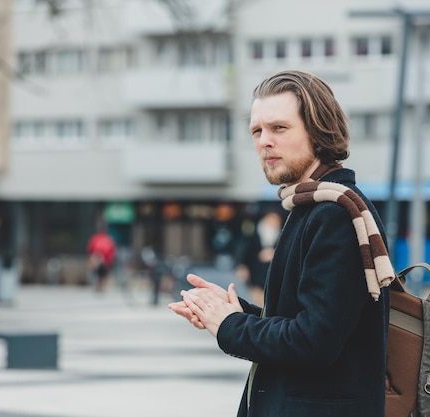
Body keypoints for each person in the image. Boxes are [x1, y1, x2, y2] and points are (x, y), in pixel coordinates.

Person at [168, 69, 391, 416]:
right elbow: (304, 322)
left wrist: (230, 326)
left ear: (318, 133)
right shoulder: (308, 207)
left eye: (279, 128)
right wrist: (232, 312)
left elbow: (314, 342)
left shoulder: (334, 214)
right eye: (257, 130)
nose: (264, 141)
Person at [235, 209, 282, 307]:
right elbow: (246, 252)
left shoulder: (282, 235)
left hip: (274, 275)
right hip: (256, 274)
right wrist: (243, 266)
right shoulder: (254, 233)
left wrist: (275, 254)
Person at [87, 227, 116, 292]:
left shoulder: (96, 238)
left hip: (100, 257)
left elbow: (90, 248)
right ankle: (99, 285)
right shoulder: (107, 239)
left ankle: (99, 285)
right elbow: (112, 250)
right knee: (101, 273)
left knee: (99, 272)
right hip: (102, 258)